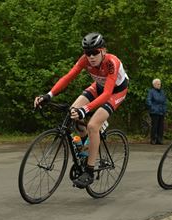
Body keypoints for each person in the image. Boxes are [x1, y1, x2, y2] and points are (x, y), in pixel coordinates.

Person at [34, 32, 129, 188]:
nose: (91, 56)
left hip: (115, 92)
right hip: (98, 87)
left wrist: (85, 109)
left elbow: (107, 94)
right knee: (72, 111)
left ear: (103, 50)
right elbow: (68, 77)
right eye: (88, 53)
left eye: (95, 52)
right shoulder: (85, 60)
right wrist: (49, 95)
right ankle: (86, 145)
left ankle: (90, 171)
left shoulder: (112, 62)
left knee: (93, 125)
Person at [146, 78, 167, 144]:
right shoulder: (151, 91)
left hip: (161, 111)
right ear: (154, 84)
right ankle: (153, 139)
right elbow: (148, 101)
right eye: (158, 84)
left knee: (161, 127)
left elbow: (164, 101)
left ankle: (159, 139)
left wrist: (165, 109)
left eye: (160, 84)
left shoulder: (162, 92)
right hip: (154, 111)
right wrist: (152, 108)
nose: (159, 85)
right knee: (154, 126)